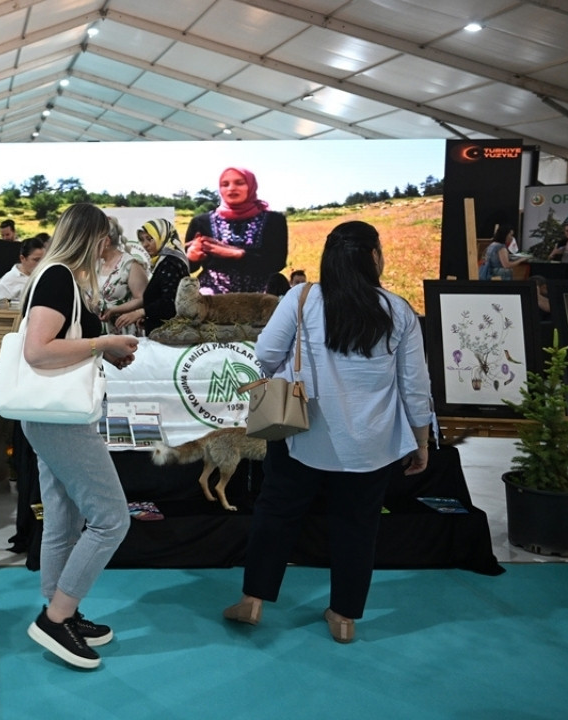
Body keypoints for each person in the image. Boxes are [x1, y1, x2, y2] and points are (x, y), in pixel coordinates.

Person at [222, 220, 432, 644]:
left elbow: (265, 354)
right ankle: (344, 616)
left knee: (276, 514)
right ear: (373, 257)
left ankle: (253, 600)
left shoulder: (302, 298)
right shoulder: (399, 310)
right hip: (371, 445)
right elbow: (414, 385)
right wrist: (422, 441)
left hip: (300, 431)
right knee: (358, 528)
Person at [20, 203, 138, 669]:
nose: (109, 247)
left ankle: (61, 610)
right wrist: (102, 343)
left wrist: (101, 351)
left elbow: (54, 346)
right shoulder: (59, 278)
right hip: (60, 419)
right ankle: (56, 617)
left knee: (65, 519)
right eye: (106, 238)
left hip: (52, 414)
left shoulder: (61, 278)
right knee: (111, 519)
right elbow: (37, 350)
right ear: (94, 238)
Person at [185, 167, 288, 293]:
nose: (231, 188)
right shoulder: (201, 222)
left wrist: (236, 254)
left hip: (261, 294)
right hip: (212, 294)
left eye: (239, 183)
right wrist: (192, 258)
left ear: (251, 186)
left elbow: (277, 263)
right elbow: (188, 268)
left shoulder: (274, 220)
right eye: (225, 184)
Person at [111, 219, 190, 334]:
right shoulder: (165, 262)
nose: (145, 245)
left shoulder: (170, 263)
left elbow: (170, 302)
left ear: (163, 237)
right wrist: (148, 317)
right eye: (142, 240)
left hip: (170, 335)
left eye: (150, 239)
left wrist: (141, 312)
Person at [97, 218, 148, 337]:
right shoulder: (96, 265)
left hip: (123, 329)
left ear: (106, 241)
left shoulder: (130, 264)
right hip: (100, 330)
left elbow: (142, 298)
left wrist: (114, 310)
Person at [0, 235, 47, 301]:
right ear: (22, 258)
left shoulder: (46, 275)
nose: (40, 264)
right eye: (36, 260)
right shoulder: (8, 281)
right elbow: (2, 306)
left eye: (43, 260)